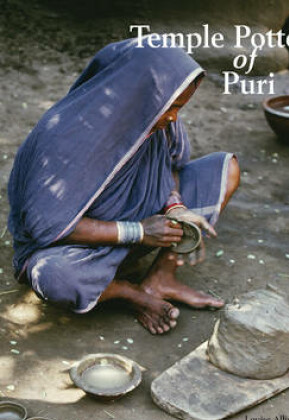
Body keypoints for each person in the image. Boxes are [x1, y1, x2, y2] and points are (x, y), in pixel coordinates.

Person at [8, 37, 240, 335]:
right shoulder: (62, 140)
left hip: (145, 226)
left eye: (179, 108)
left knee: (227, 169)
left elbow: (169, 168)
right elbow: (49, 228)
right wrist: (141, 231)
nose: (173, 117)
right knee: (55, 277)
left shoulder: (158, 123)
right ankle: (129, 293)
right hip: (76, 246)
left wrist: (176, 209)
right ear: (136, 97)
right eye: (170, 107)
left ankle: (161, 277)